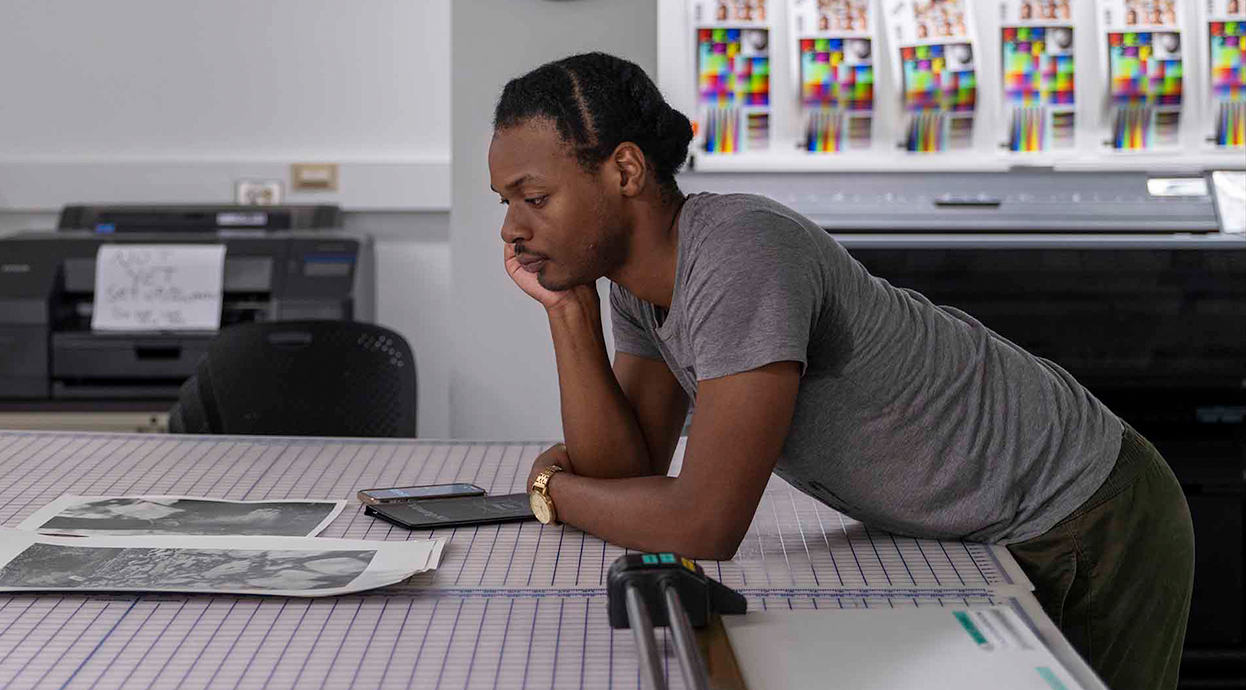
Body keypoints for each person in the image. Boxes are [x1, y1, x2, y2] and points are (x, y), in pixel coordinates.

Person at [488, 51, 1193, 690]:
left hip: (1084, 513)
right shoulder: (639, 286)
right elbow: (625, 478)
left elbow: (702, 524)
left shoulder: (738, 253)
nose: (511, 230)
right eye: (507, 203)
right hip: (985, 527)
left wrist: (553, 489)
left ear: (626, 171)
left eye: (535, 198)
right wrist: (566, 315)